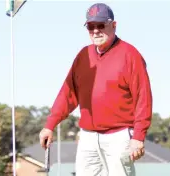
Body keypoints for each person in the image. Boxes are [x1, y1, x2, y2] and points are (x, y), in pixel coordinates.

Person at [39, 3, 153, 176]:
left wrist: (138, 137)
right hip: (88, 137)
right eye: (91, 26)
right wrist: (50, 125)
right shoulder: (83, 55)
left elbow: (143, 98)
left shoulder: (131, 55)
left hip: (119, 136)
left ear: (113, 25)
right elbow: (67, 94)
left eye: (101, 25)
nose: (96, 31)